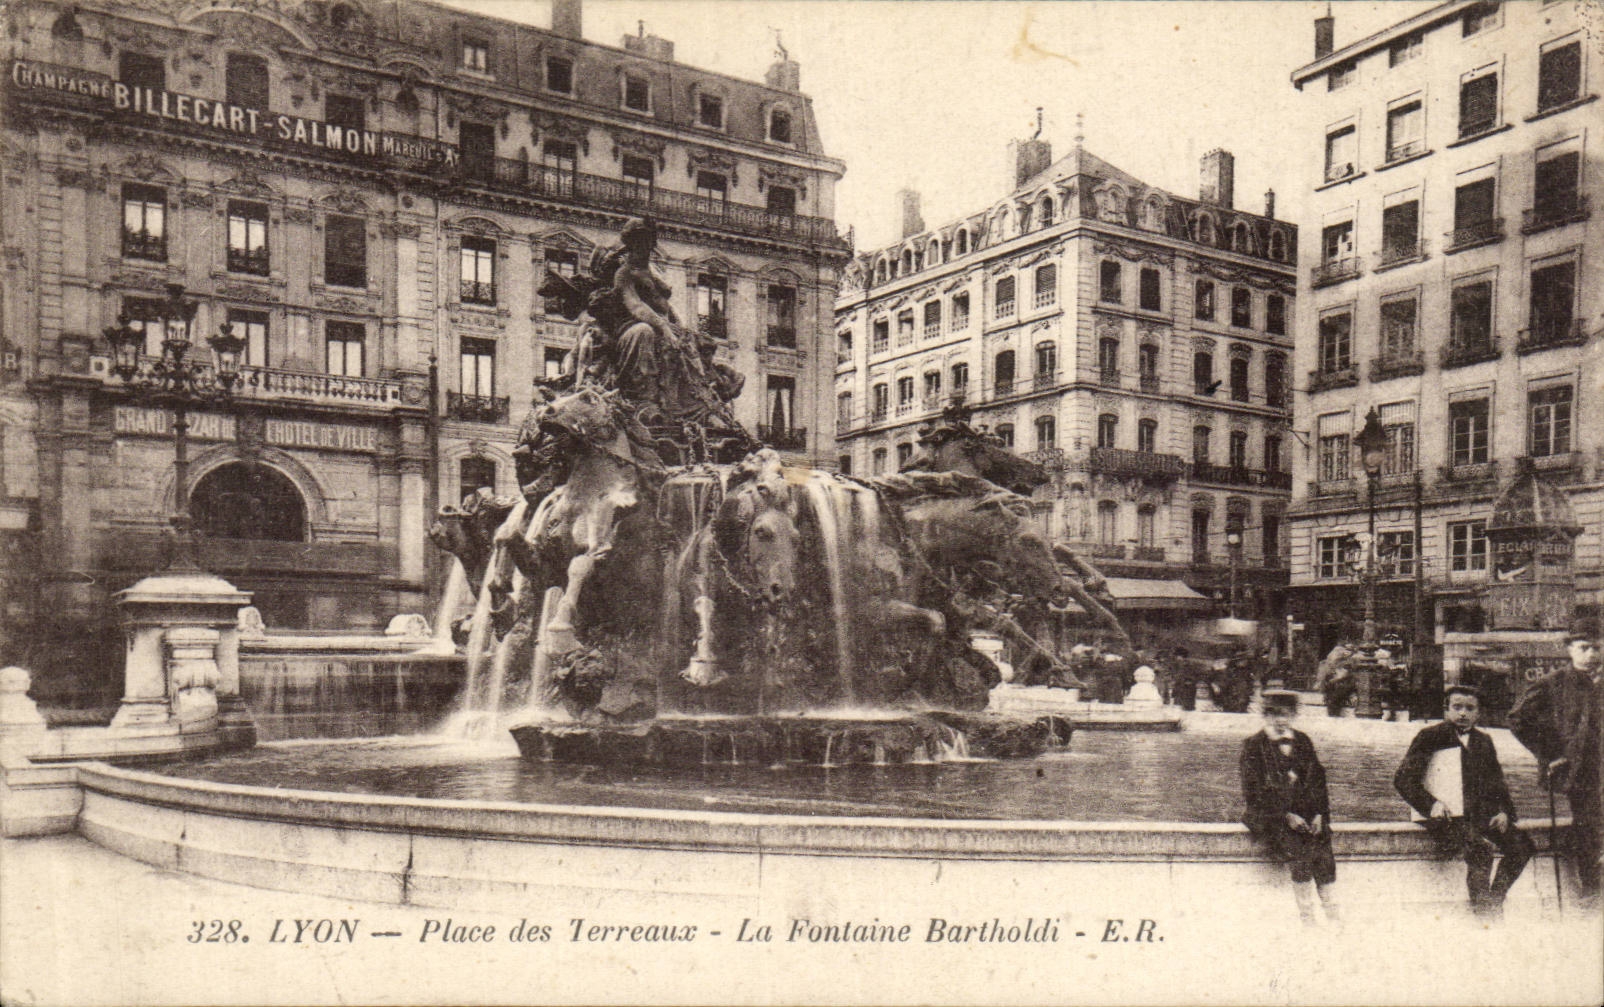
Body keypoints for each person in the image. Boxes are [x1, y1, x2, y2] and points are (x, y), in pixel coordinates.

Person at [1393, 684, 1533, 919]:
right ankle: (1483, 914)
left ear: (1478, 713)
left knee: (1522, 845)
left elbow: (1496, 782)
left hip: (1478, 815)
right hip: (1445, 817)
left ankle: (1496, 899)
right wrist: (1432, 805)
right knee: (1481, 849)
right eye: (1457, 707)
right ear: (1446, 710)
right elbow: (1403, 779)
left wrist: (1503, 812)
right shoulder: (1430, 736)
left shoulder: (1483, 741)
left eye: (1470, 708)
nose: (1463, 714)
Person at [1509, 621, 1602, 911]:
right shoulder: (1554, 682)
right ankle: (1591, 887)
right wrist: (1550, 753)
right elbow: (1518, 718)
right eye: (1584, 648)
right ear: (1569, 649)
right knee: (1588, 820)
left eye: (1597, 648)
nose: (1591, 654)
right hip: (1581, 768)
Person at [1240, 689, 1339, 925]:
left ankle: (1333, 915)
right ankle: (1308, 919)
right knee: (1299, 851)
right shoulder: (1254, 745)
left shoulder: (1303, 741)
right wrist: (1286, 815)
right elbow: (1252, 791)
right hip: (1270, 814)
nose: (1281, 721)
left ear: (1293, 715)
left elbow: (1317, 781)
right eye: (1274, 715)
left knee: (1323, 851)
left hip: (1306, 812)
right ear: (1266, 715)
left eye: (1285, 715)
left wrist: (1318, 815)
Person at [1315, 642, 1356, 717]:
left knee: (1334, 699)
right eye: (1347, 650)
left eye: (1349, 650)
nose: (1347, 652)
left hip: (1341, 686)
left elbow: (1344, 675)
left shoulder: (1348, 662)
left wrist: (1333, 680)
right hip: (1336, 686)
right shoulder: (1336, 662)